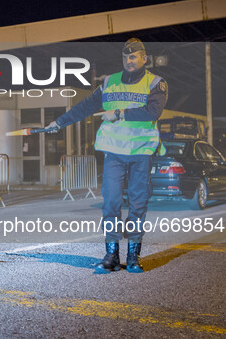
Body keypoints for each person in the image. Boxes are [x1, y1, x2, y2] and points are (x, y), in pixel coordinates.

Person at [46, 38, 168, 273]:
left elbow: (153, 111)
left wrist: (119, 113)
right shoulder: (109, 82)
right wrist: (59, 122)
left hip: (141, 152)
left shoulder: (156, 83)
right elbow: (85, 106)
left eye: (134, 56)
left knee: (137, 204)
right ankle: (111, 254)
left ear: (144, 58)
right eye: (125, 57)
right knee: (111, 203)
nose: (129, 60)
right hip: (114, 153)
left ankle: (133, 256)